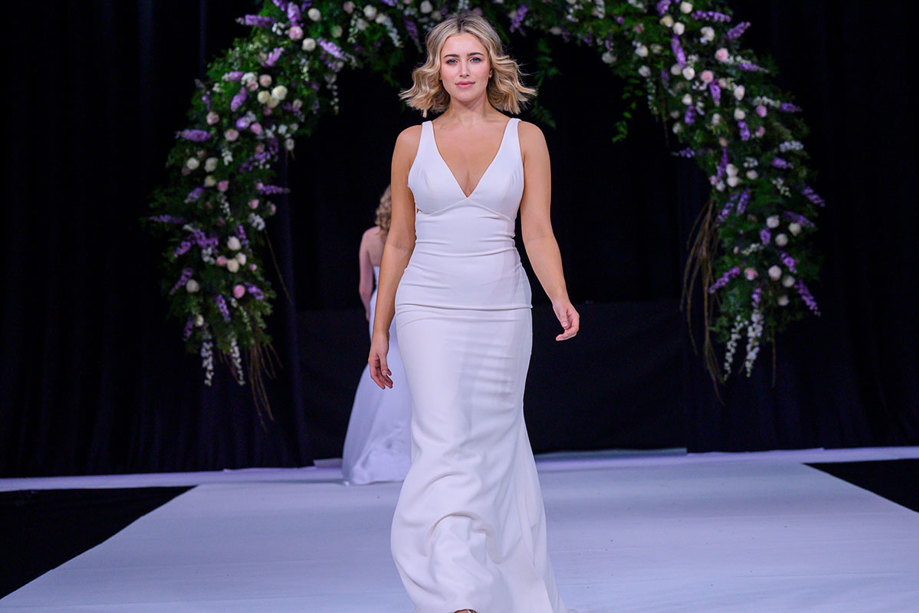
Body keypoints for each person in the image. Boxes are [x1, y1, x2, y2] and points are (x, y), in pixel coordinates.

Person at [368, 10, 579, 613]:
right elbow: (399, 241)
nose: (462, 70)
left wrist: (559, 297)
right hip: (427, 305)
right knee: (442, 442)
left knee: (495, 442)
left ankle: (506, 587)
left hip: (501, 305)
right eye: (451, 58)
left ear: (492, 65)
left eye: (474, 57)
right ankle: (459, 595)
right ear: (436, 67)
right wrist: (380, 328)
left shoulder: (526, 138)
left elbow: (537, 232)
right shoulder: (411, 141)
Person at [341, 186, 413, 485]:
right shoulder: (412, 235)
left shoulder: (370, 238)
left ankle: (376, 445)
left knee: (384, 361)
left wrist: (371, 312)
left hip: (378, 306)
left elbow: (363, 287)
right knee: (408, 367)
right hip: (406, 305)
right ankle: (410, 446)